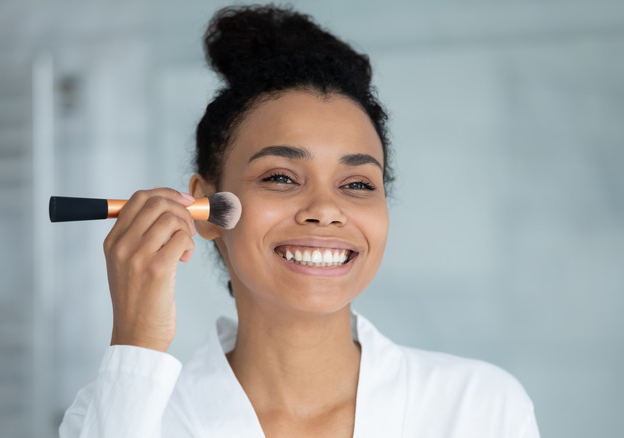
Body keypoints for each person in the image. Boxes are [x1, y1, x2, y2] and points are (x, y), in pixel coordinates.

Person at [59, 5, 540, 437]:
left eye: (357, 184)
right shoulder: (121, 413)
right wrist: (137, 343)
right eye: (281, 177)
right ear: (205, 208)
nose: (326, 209)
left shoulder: (480, 409)